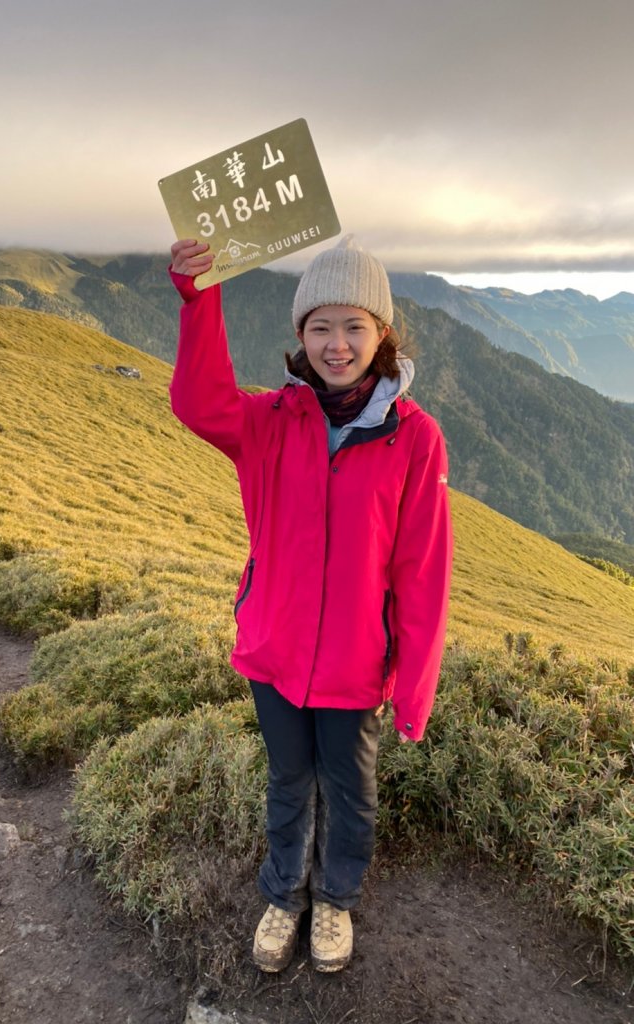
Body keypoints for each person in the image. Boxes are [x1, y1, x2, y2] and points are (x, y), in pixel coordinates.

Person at [168, 234, 453, 973]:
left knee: (349, 789)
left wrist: (413, 690)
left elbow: (423, 572)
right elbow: (198, 402)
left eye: (353, 326)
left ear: (381, 335)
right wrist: (198, 299)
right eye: (319, 327)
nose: (336, 344)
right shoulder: (269, 421)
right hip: (274, 652)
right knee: (287, 781)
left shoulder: (415, 439)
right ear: (299, 336)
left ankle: (335, 898)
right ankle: (284, 895)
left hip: (356, 664)